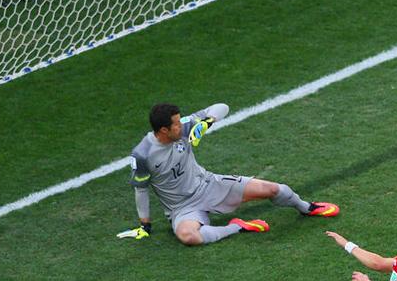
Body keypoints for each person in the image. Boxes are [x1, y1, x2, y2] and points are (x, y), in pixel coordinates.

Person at [120, 102, 339, 245]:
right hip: (182, 208)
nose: (181, 125)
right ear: (163, 130)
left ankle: (307, 208)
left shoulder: (185, 127)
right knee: (189, 237)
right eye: (176, 124)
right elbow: (141, 190)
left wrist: (207, 122)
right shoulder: (143, 154)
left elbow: (221, 107)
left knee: (273, 189)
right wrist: (145, 225)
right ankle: (237, 226)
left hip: (210, 185)